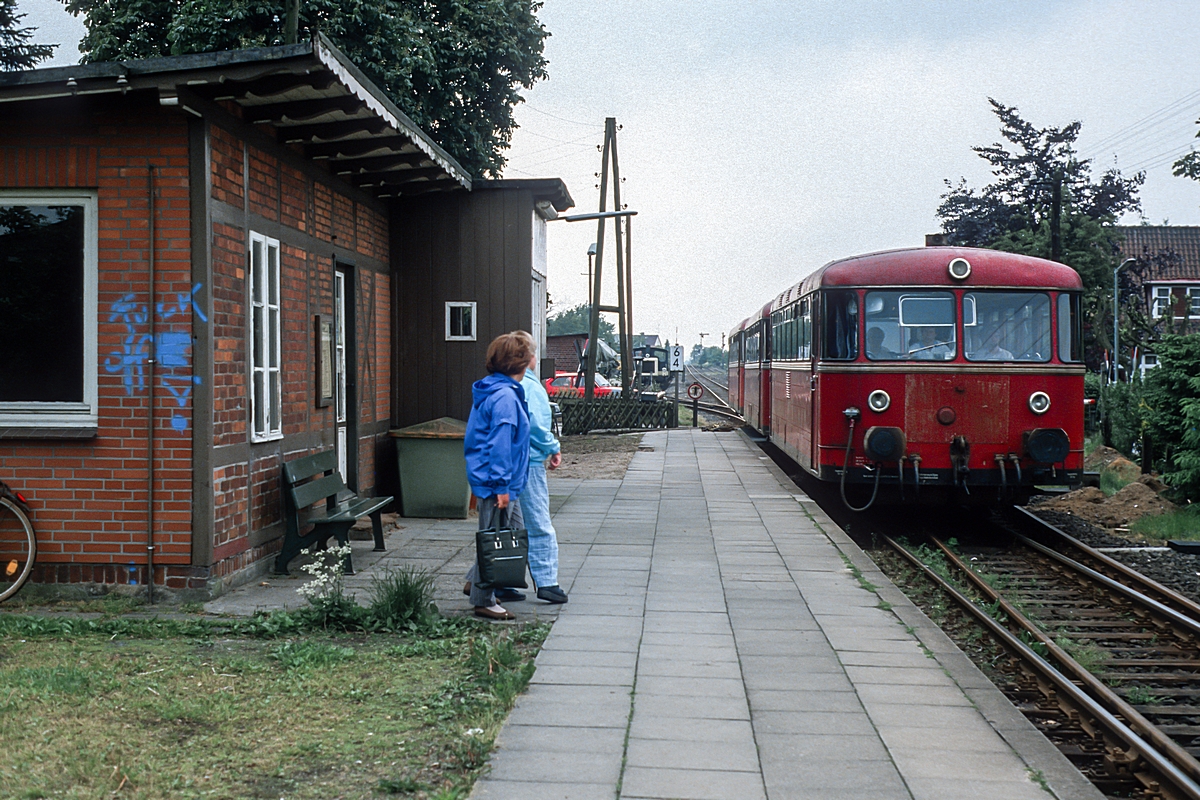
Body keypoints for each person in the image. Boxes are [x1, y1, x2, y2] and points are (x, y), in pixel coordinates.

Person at [463, 332, 533, 621]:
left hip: (505, 481)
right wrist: (501, 486)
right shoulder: (504, 396)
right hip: (498, 483)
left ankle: (473, 581)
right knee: (493, 537)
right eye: (530, 353)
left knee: (509, 535)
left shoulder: (498, 390)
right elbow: (500, 443)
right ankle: (483, 599)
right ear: (521, 362)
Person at [516, 333, 568, 604]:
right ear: (530, 358)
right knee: (539, 522)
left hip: (506, 461)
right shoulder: (531, 386)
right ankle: (547, 581)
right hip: (529, 461)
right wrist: (552, 446)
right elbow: (535, 424)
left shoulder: (500, 383)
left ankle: (483, 579)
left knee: (507, 524)